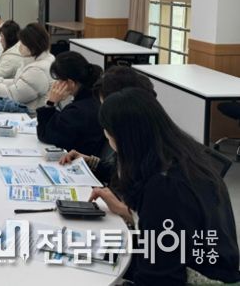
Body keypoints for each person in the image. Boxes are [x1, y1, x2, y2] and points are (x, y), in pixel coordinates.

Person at [89, 88, 240, 285]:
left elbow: (159, 277)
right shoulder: (183, 155)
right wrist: (127, 213)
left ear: (123, 138)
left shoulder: (164, 188)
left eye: (107, 132)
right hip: (204, 264)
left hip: (196, 277)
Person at [59, 65, 157, 184]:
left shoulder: (153, 157)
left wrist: (116, 197)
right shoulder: (134, 137)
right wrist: (90, 161)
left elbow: (132, 185)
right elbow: (119, 173)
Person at [35, 51, 104, 155]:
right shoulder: (94, 97)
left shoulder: (77, 111)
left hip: (80, 159)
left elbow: (45, 135)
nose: (56, 84)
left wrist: (50, 103)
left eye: (59, 80)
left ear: (70, 83)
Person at [0, 23, 55, 111]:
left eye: (22, 43)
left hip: (31, 114)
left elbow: (13, 95)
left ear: (31, 45)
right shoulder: (38, 60)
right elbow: (18, 82)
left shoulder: (37, 71)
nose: (19, 46)